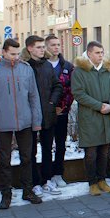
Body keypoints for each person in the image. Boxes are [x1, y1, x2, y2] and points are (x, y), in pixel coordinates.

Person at [0, 38, 43, 208]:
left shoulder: (26, 69)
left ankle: (28, 190)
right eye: (12, 54)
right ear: (3, 52)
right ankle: (6, 193)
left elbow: (33, 96)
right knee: (4, 160)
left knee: (27, 157)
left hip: (25, 121)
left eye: (17, 54)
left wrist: (36, 121)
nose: (15, 57)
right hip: (2, 122)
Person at [72, 41, 110, 196]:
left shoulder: (107, 71)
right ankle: (92, 182)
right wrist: (99, 106)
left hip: (107, 116)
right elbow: (79, 94)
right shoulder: (80, 71)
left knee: (104, 151)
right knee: (91, 152)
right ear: (89, 53)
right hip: (90, 117)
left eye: (102, 52)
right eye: (97, 53)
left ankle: (102, 180)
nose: (101, 55)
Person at [24, 35, 63, 197]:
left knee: (47, 149)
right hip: (30, 116)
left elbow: (57, 85)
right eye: (39, 47)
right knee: (30, 151)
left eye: (42, 47)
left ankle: (47, 180)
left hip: (47, 114)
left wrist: (52, 103)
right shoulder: (24, 67)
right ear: (30, 49)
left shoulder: (47, 65)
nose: (42, 50)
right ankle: (34, 183)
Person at [44, 35, 74, 188]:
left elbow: (71, 89)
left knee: (61, 144)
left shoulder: (67, 66)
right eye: (53, 45)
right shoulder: (42, 65)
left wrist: (63, 107)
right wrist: (49, 108)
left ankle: (58, 173)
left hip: (62, 112)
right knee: (46, 145)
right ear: (46, 47)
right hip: (46, 113)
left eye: (58, 44)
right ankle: (47, 176)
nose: (56, 47)